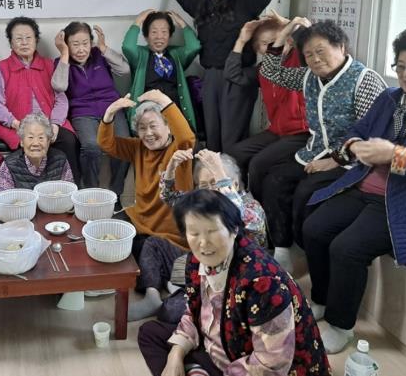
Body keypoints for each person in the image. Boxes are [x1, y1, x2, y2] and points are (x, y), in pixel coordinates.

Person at [303, 23, 406, 354]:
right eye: (400, 66)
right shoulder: (390, 99)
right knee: (314, 227)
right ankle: (321, 299)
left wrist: (395, 155)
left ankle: (341, 325)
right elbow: (357, 130)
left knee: (346, 248)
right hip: (364, 186)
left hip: (403, 202)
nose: (405, 75)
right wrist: (354, 145)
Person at [138, 189, 331, 376]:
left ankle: (196, 368)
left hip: (261, 366)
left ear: (234, 229)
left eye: (212, 231)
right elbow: (194, 313)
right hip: (221, 349)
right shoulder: (196, 261)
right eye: (194, 234)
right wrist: (175, 355)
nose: (203, 243)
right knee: (150, 333)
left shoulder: (263, 282)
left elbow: (271, 363)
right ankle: (195, 367)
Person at [258, 18, 387, 272]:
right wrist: (286, 31)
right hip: (315, 151)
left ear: (341, 47)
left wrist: (335, 160)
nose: (315, 59)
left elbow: (372, 134)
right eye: (308, 55)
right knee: (274, 180)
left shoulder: (364, 80)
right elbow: (270, 72)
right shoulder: (309, 76)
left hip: (352, 160)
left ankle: (306, 252)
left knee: (306, 191)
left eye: (321, 51)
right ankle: (282, 248)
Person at [129, 149, 267, 321]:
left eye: (215, 183)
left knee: (170, 311)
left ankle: (177, 288)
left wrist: (220, 174)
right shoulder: (204, 203)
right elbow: (169, 197)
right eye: (204, 186)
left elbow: (241, 217)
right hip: (198, 265)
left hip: (229, 281)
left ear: (235, 184)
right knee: (153, 244)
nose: (210, 191)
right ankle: (152, 296)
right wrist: (171, 168)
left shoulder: (252, 207)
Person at [170, 0, 278, 152]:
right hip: (211, 77)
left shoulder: (246, 3)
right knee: (212, 136)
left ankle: (234, 173)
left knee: (232, 138)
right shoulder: (202, 5)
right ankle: (214, 173)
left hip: (238, 76)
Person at [224, 14, 309, 202]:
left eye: (277, 40)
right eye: (265, 44)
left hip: (301, 132)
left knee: (257, 164)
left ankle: (256, 207)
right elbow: (232, 74)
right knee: (233, 154)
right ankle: (237, 199)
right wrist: (241, 40)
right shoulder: (263, 69)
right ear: (257, 49)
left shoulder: (299, 59)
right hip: (276, 131)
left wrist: (289, 25)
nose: (273, 46)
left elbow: (310, 35)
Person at [97, 90, 195, 253]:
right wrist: (109, 113)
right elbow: (106, 143)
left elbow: (186, 137)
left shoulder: (179, 151)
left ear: (169, 127)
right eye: (142, 128)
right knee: (103, 236)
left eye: (153, 126)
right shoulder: (138, 147)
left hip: (167, 235)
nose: (148, 133)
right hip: (138, 221)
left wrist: (164, 100)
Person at [0, 16, 80, 183]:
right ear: (11, 43)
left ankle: (72, 190)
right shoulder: (2, 68)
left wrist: (55, 124)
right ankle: (28, 191)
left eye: (28, 37)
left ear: (36, 40)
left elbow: (61, 99)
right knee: (26, 144)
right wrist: (15, 123)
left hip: (50, 122)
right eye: (18, 38)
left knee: (68, 140)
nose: (24, 42)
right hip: (15, 124)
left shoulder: (49, 65)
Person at [51, 21, 130, 196]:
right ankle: (90, 192)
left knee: (123, 144)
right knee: (91, 147)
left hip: (112, 108)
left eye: (85, 43)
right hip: (83, 112)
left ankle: (116, 193)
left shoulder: (100, 55)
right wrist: (64, 54)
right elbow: (59, 86)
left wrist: (103, 48)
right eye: (75, 44)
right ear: (67, 45)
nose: (81, 49)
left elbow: (124, 70)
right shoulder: (61, 62)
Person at [122, 9, 200, 132]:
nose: (159, 37)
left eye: (164, 32)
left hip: (174, 107)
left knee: (183, 134)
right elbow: (128, 46)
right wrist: (138, 20)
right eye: (154, 32)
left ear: (170, 35)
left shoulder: (176, 54)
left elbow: (194, 46)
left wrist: (182, 24)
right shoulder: (141, 54)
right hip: (149, 111)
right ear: (146, 36)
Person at [0, 112, 74, 193]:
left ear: (48, 141)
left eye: (41, 137)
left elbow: (69, 192)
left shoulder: (60, 160)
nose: (35, 143)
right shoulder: (9, 164)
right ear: (22, 141)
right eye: (30, 137)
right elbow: (2, 197)